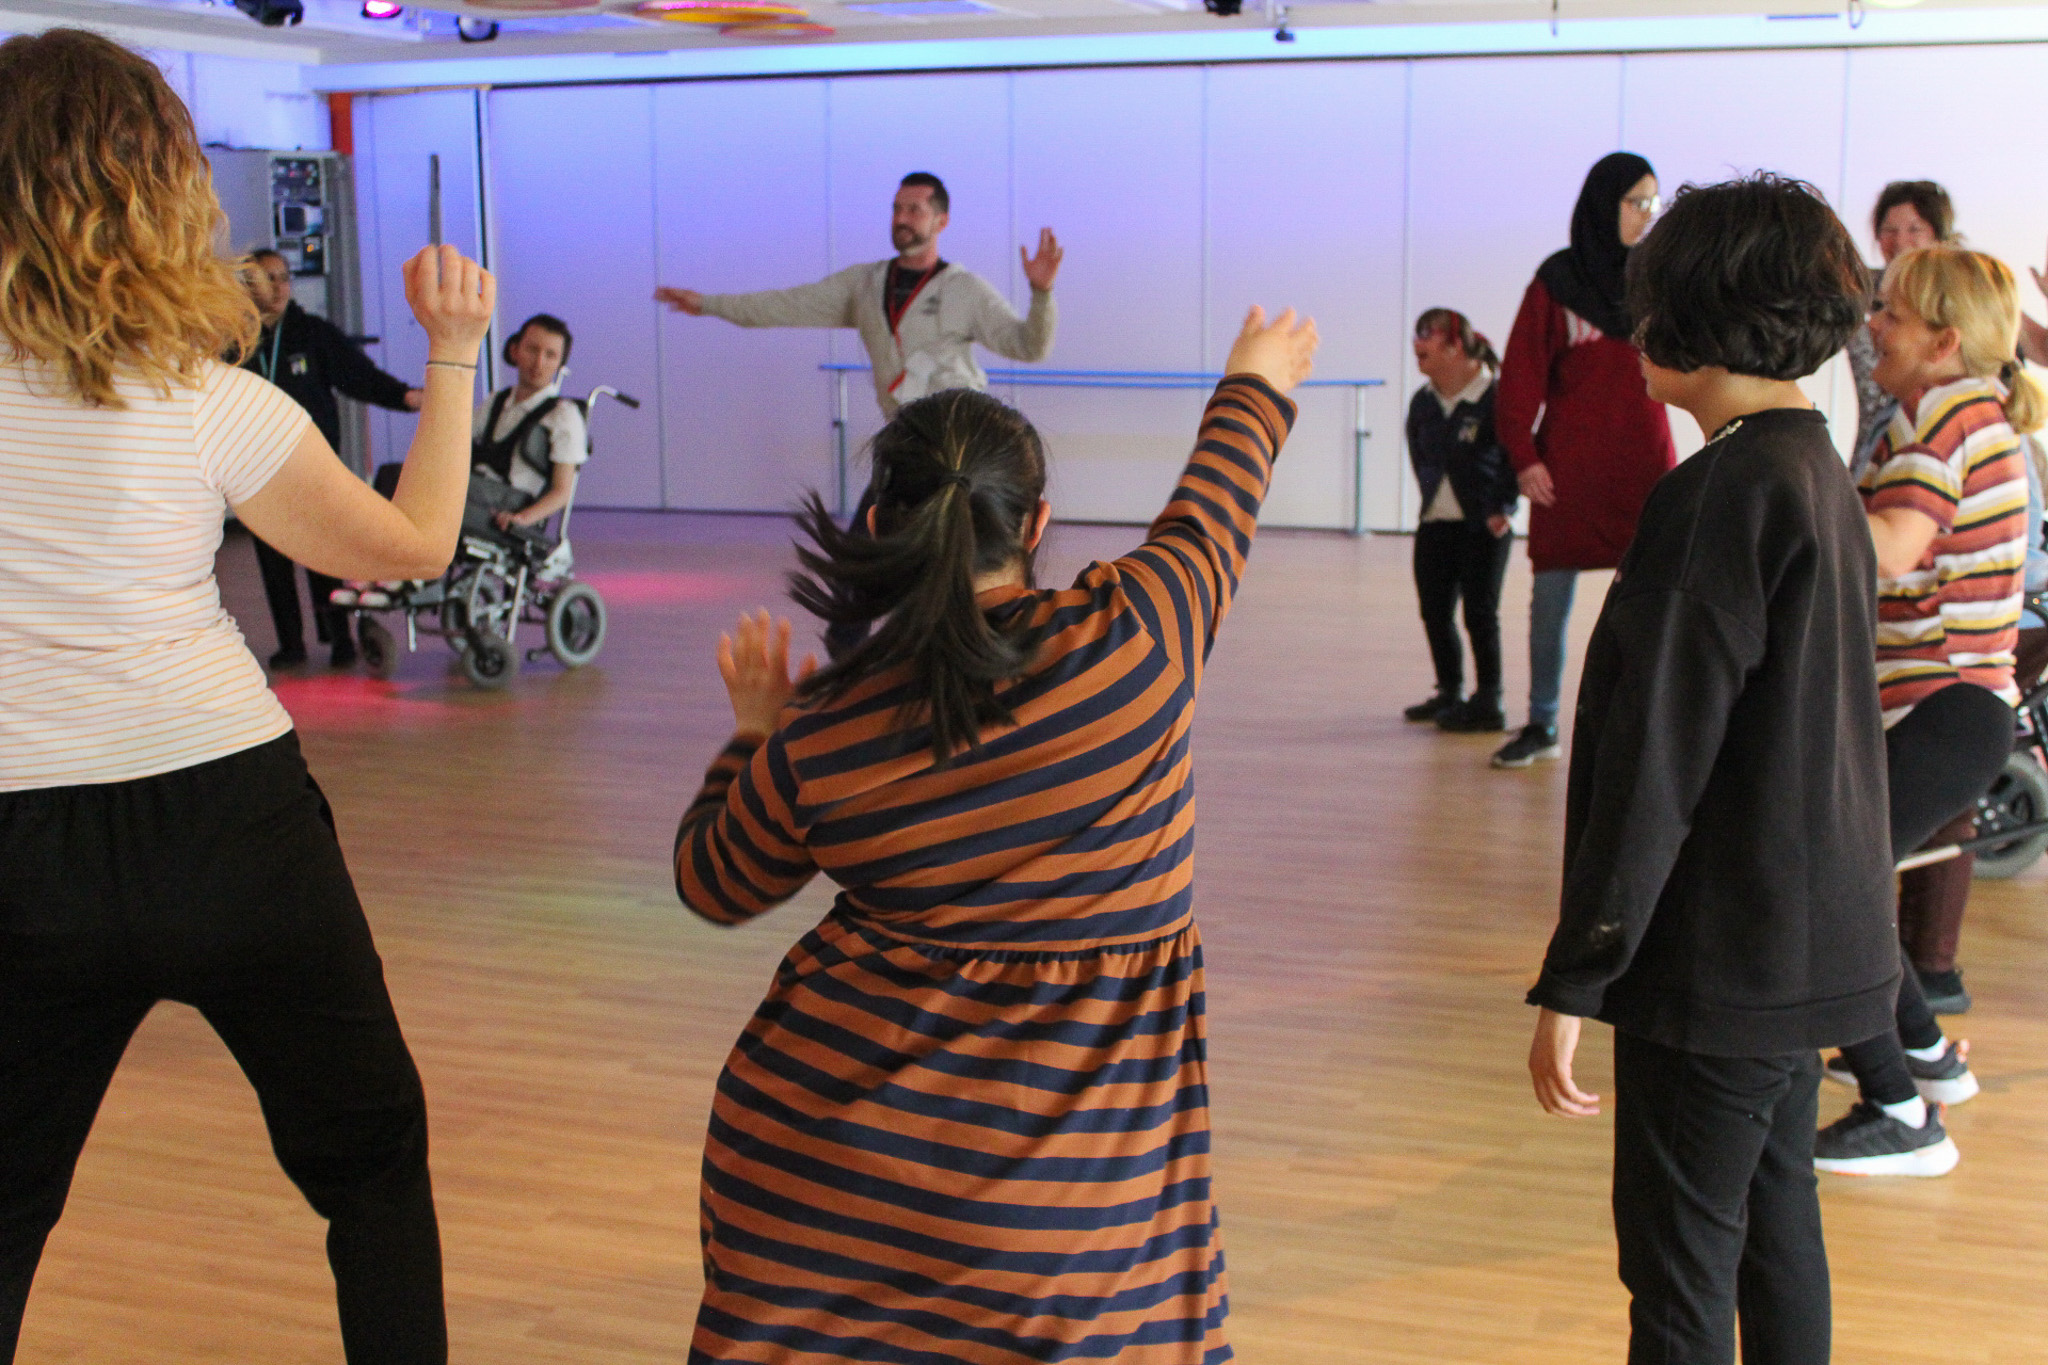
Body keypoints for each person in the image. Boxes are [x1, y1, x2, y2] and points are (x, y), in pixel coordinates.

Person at [671, 305, 1318, 1363]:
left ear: (879, 526)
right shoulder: (1138, 642)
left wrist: (751, 733)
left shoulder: (826, 730)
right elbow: (1215, 501)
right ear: (1039, 521)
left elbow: (714, 882)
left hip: (815, 1193)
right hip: (1069, 1230)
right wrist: (1259, 372)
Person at [0, 29, 494, 1364]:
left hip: (21, 846)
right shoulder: (206, 402)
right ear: (158, 191)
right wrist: (454, 350)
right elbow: (414, 547)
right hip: (232, 823)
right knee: (372, 1159)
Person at [1526, 174, 1894, 1364]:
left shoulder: (1715, 493)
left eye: (1649, 302)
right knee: (1775, 1235)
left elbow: (1652, 768)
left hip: (1716, 970)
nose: (1634, 332)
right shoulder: (1810, 468)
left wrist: (1579, 978)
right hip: (1798, 953)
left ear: (1694, 312)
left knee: (1679, 1282)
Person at [1812, 245, 2038, 1176]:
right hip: (1950, 707)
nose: (1873, 329)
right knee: (1845, 875)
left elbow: (1892, 548)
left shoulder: (1944, 416)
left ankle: (1899, 1110)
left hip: (1945, 705)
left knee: (1832, 885)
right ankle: (1929, 1063)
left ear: (1945, 341)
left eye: (1891, 315)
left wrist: (1793, 513)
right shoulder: (1957, 413)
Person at [1492, 152, 1677, 768]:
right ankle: (1542, 723)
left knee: (1650, 603)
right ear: (1606, 203)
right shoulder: (1558, 279)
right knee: (1550, 605)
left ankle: (1644, 725)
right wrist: (1524, 459)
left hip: (1645, 468)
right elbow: (1519, 378)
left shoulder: (1661, 280)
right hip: (1566, 472)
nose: (1648, 215)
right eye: (1636, 202)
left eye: (1654, 202)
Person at [655, 171, 1062, 419]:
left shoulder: (965, 290)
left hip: (957, 430)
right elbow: (785, 305)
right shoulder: (864, 285)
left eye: (914, 210)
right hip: (903, 429)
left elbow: (1029, 347)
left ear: (942, 221)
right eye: (896, 208)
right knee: (875, 541)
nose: (901, 219)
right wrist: (708, 304)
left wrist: (1041, 293)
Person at [238, 246, 423, 668]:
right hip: (257, 474)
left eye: (285, 276)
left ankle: (339, 637)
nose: (281, 285)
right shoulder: (233, 342)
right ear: (247, 285)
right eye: (269, 277)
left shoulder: (311, 334)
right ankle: (291, 643)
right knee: (274, 564)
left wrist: (405, 396)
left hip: (312, 470)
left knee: (322, 555)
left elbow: (359, 376)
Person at [1401, 307, 1517, 732]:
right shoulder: (1423, 402)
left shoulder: (1497, 398)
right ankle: (1449, 692)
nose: (1417, 345)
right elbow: (1419, 456)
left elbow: (1517, 455)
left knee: (1480, 615)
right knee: (1435, 612)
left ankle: (1490, 701)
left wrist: (1502, 506)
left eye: (1426, 336)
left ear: (1455, 346)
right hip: (1436, 524)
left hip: (1482, 527)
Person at [1845, 181, 1955, 475]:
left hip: (1929, 444)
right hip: (1870, 447)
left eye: (1914, 229)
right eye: (1889, 231)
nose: (1900, 241)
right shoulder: (1857, 290)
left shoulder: (1965, 297)